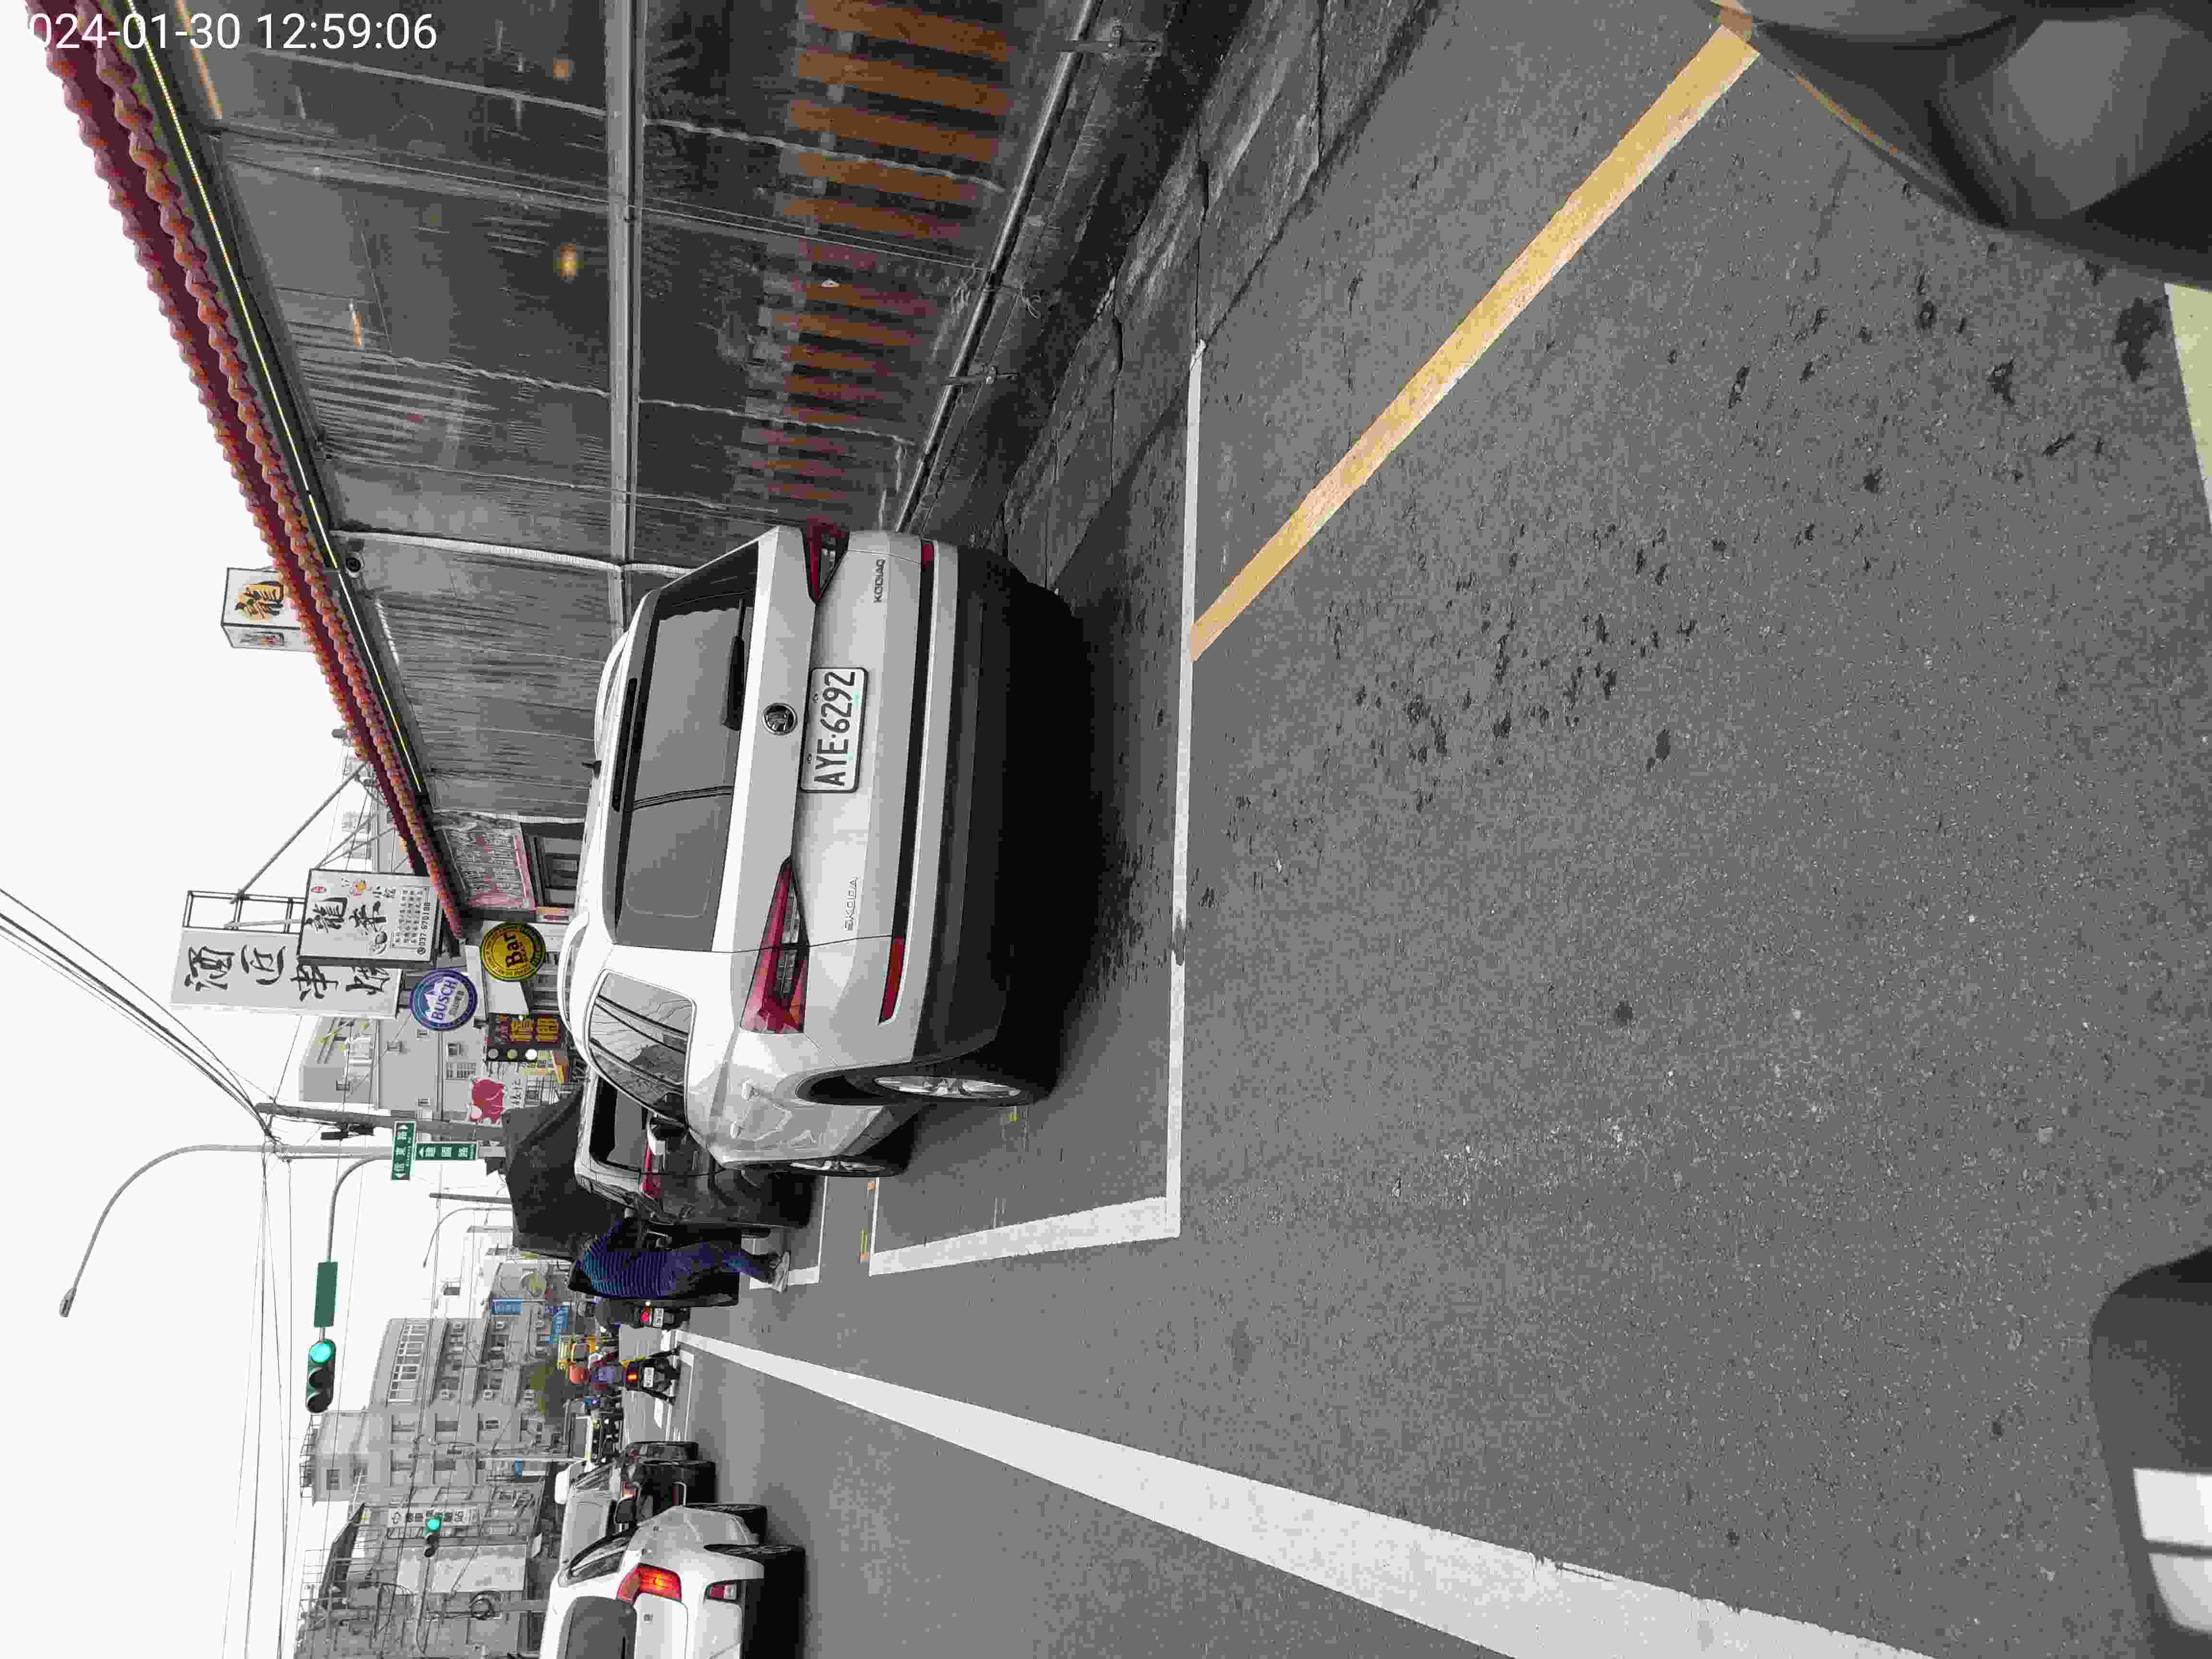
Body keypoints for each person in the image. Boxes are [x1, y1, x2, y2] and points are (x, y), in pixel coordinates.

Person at [567, 1224, 790, 1303]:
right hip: (668, 1266)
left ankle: (764, 1264)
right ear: (583, 1247)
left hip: (667, 1289)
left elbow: (633, 1272)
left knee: (719, 1264)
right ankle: (772, 1277)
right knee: (723, 1250)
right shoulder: (593, 1255)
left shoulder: (599, 1286)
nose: (594, 1239)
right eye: (589, 1239)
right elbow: (618, 1230)